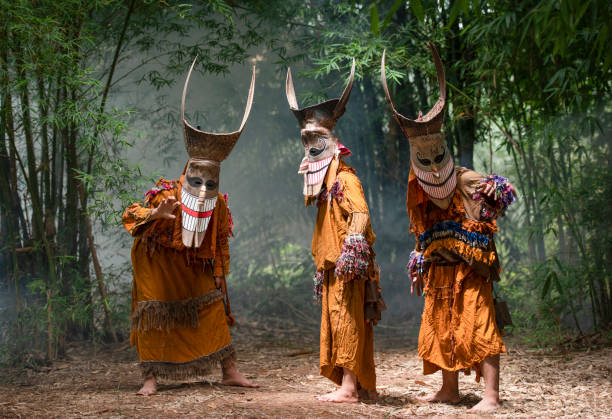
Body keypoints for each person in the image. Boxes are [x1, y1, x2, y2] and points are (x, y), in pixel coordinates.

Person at [381, 42, 516, 412]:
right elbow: (418, 228)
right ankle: (449, 390)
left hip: (471, 271)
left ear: (447, 150)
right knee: (443, 326)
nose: (432, 164)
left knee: (479, 326)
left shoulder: (465, 177)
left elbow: (501, 194)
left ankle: (491, 396)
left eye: (437, 155)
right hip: (439, 271)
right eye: (424, 159)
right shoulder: (416, 187)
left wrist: (495, 191)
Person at [122, 58, 258, 395]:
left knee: (212, 308)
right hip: (156, 266)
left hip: (193, 262)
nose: (201, 188)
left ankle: (230, 371)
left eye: (210, 181)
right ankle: (150, 378)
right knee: (155, 313)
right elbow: (131, 214)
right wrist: (155, 216)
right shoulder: (166, 192)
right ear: (186, 172)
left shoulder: (219, 204)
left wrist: (220, 277)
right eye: (195, 179)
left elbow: (221, 242)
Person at [285, 60, 386, 403]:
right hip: (332, 266)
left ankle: (349, 389)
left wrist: (352, 253)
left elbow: (360, 214)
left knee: (347, 322)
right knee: (338, 321)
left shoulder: (345, 178)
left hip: (346, 266)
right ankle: (356, 385)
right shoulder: (326, 184)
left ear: (333, 141)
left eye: (319, 138)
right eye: (306, 139)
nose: (312, 145)